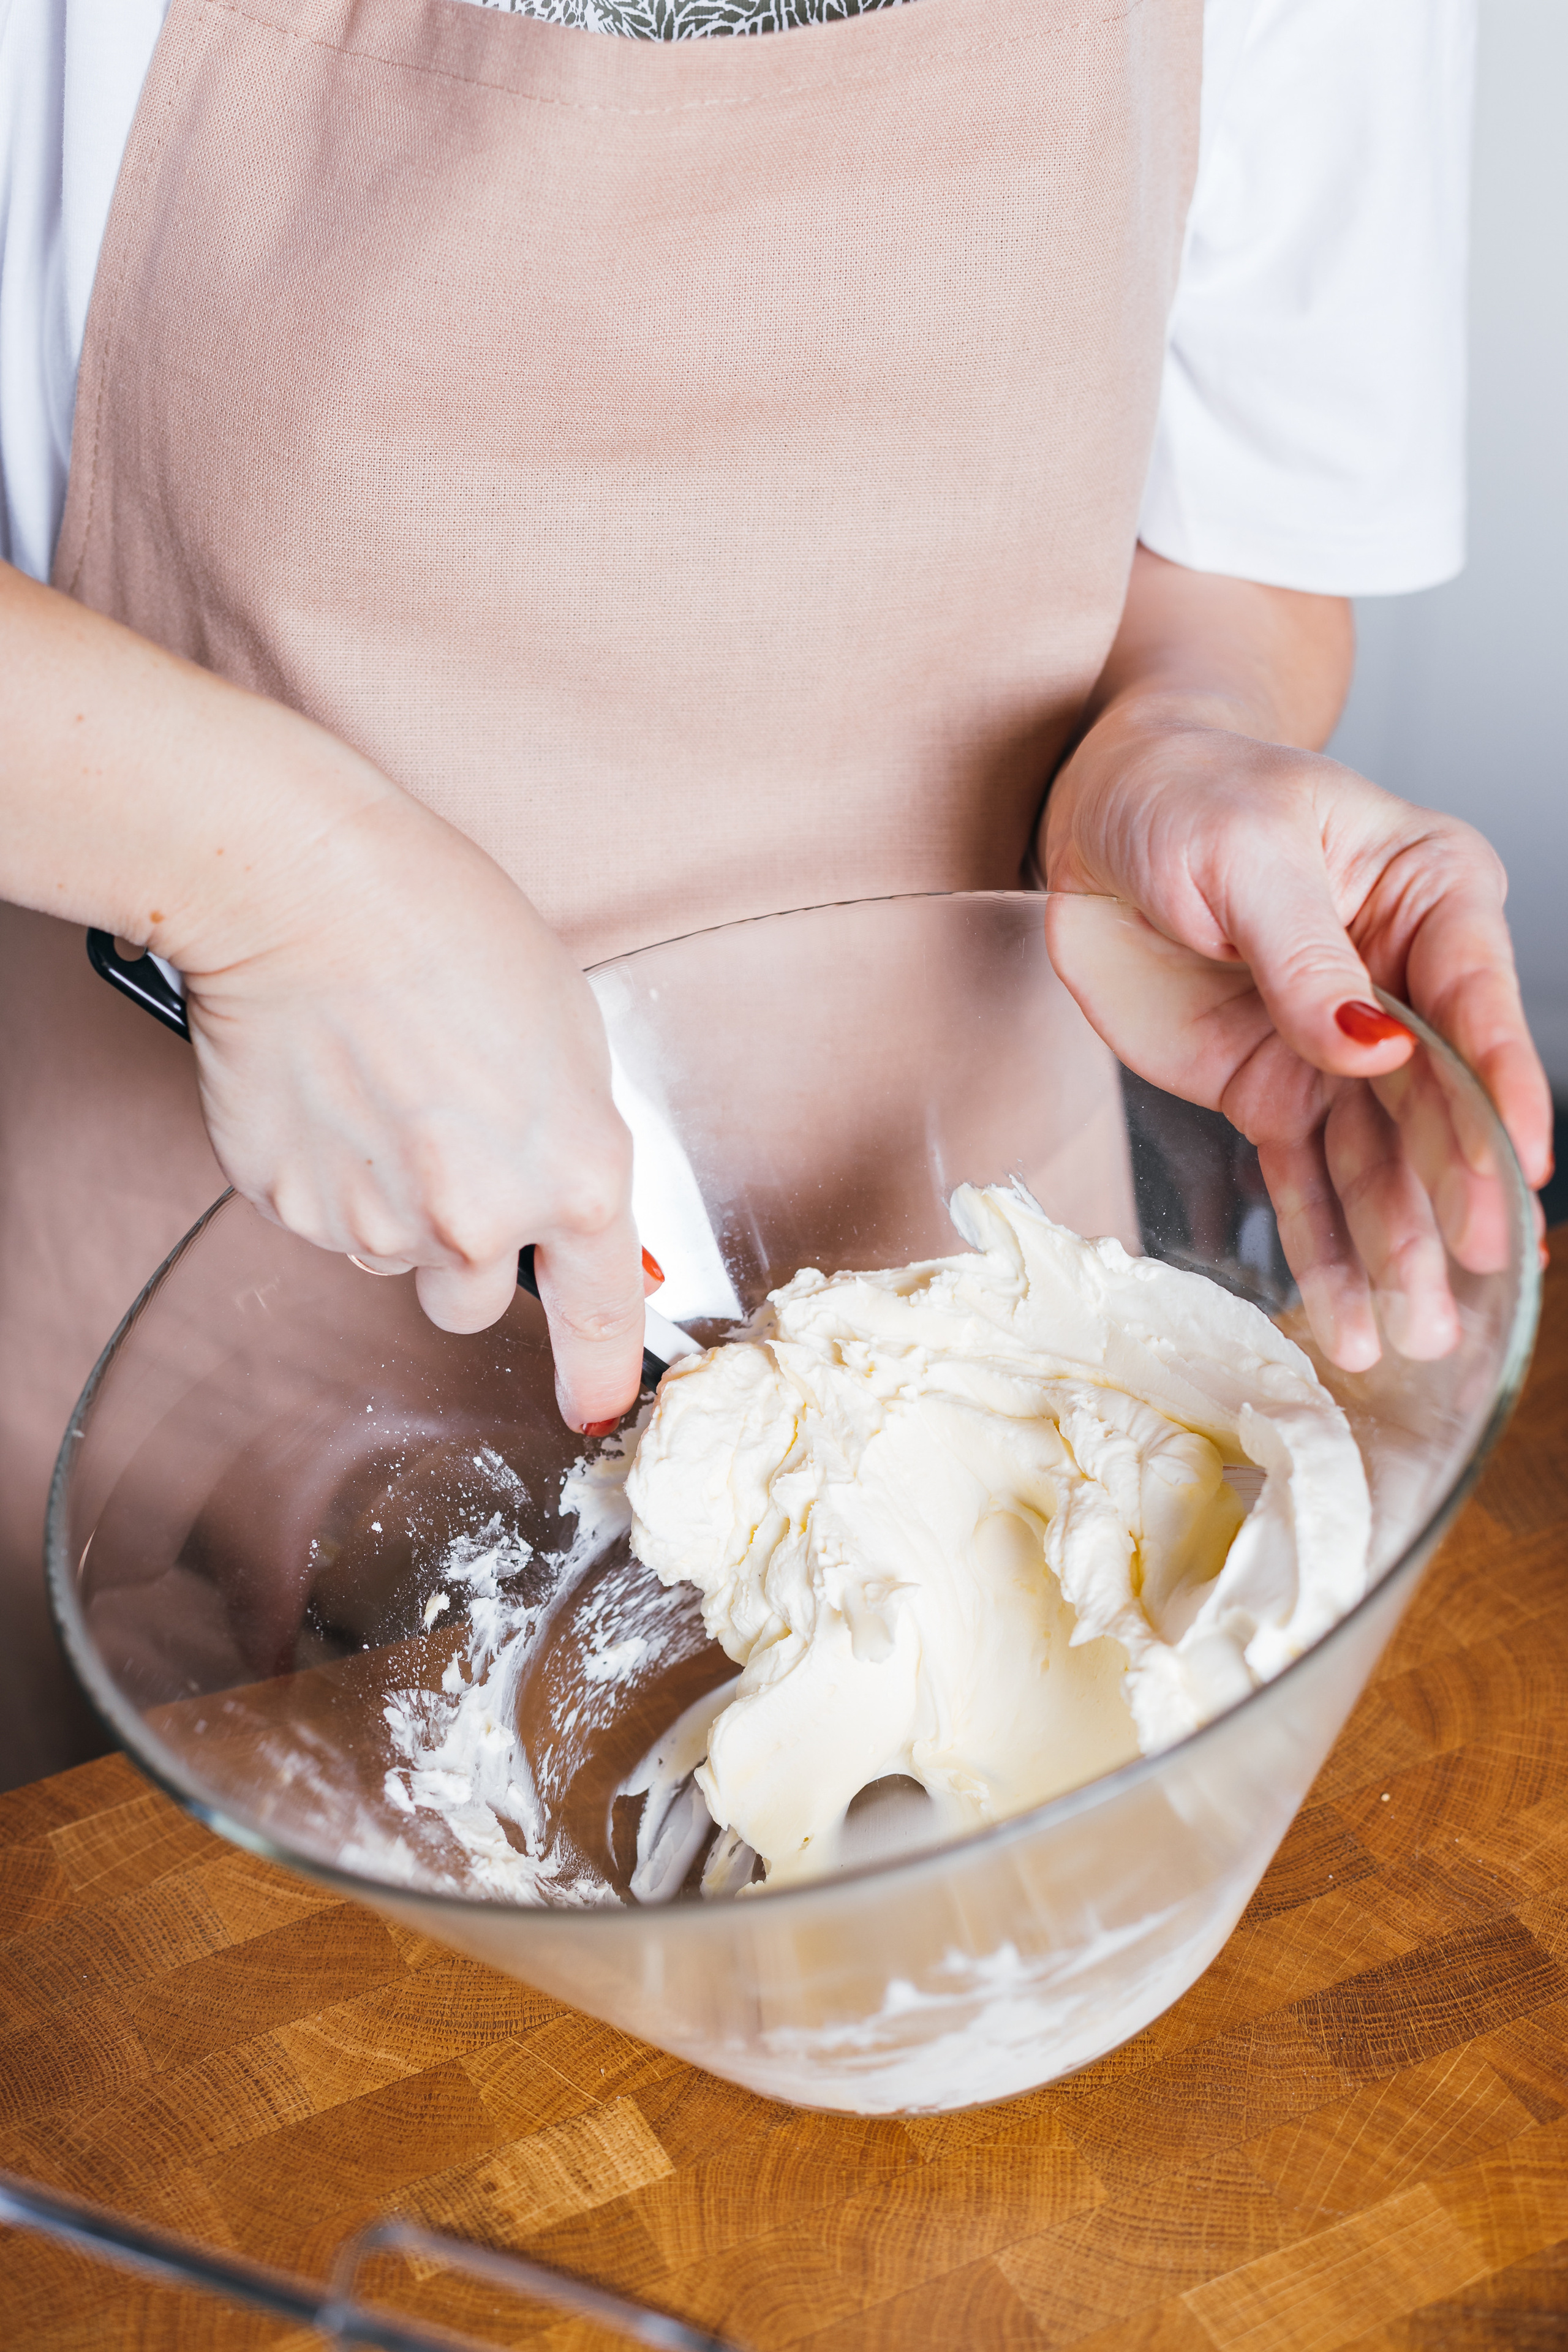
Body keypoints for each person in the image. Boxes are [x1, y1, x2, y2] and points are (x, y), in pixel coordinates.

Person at [0, 0, 1549, 1786]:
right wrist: (267, 873)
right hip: (186, 1304)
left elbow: (1248, 553)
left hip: (983, 1267)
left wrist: (1184, 739)